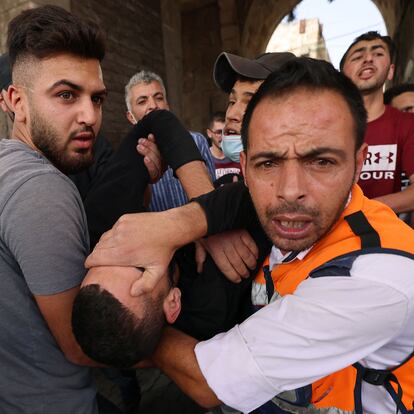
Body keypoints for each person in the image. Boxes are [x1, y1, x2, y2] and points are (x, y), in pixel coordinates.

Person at [87, 57, 414, 414]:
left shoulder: (374, 278)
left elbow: (211, 382)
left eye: (321, 162)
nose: (290, 191)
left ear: (358, 162)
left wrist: (137, 318)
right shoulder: (265, 216)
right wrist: (197, 222)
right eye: (267, 163)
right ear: (244, 166)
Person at [0, 5, 213, 413]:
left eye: (96, 98)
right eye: (65, 95)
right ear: (16, 101)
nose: (89, 117)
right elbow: (82, 345)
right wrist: (210, 360)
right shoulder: (41, 187)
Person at [341, 31, 414, 215]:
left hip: (384, 237)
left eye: (378, 53)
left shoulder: (407, 123)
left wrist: (362, 210)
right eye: (358, 56)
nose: (367, 59)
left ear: (390, 70)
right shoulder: (322, 125)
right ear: (342, 76)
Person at [125, 69, 215, 211]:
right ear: (130, 117)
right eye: (142, 101)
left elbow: (212, 195)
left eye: (159, 98)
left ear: (167, 106)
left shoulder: (197, 141)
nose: (153, 105)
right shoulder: (129, 158)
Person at [207, 110, 241, 182]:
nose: (222, 136)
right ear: (209, 133)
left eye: (226, 132)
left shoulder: (239, 157)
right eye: (219, 132)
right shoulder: (205, 160)